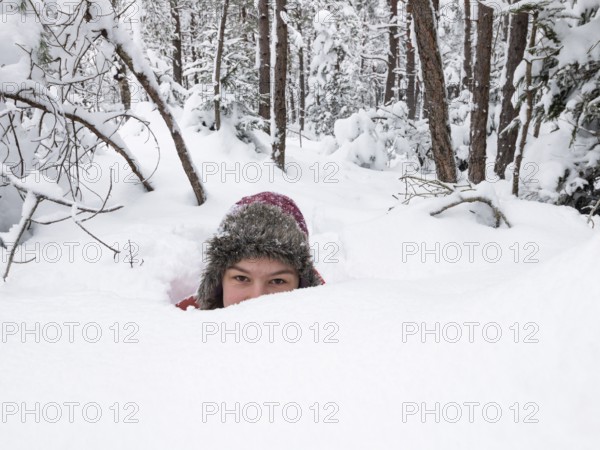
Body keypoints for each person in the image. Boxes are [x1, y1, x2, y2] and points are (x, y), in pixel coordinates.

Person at [176, 192, 325, 310]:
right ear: (219, 282)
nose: (257, 298)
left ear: (302, 285)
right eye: (241, 278)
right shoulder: (179, 332)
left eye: (278, 281)